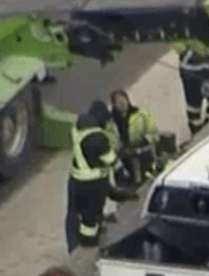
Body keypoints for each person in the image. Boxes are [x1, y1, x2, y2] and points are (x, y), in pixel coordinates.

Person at [66, 101, 119, 253]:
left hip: (75, 180)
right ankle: (88, 246)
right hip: (93, 183)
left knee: (74, 213)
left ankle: (74, 247)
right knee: (90, 220)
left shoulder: (78, 128)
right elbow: (110, 160)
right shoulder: (98, 137)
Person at [108, 90, 162, 190]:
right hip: (121, 156)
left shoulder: (141, 115)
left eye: (123, 101)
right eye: (118, 102)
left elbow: (153, 133)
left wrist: (143, 144)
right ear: (114, 105)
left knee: (140, 175)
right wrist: (118, 151)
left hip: (139, 152)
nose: (122, 104)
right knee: (120, 173)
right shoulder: (110, 123)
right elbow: (108, 140)